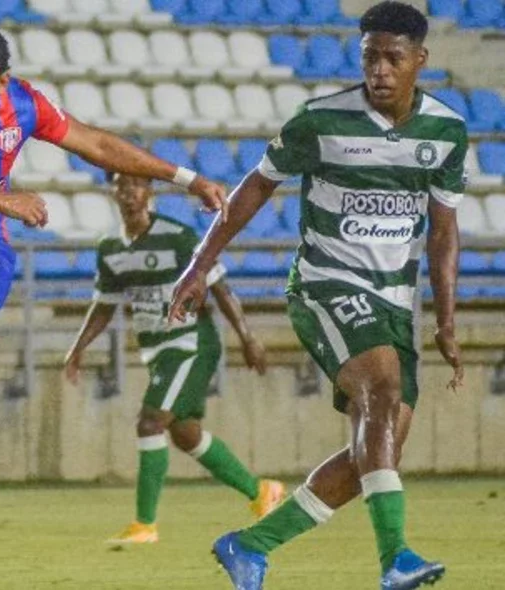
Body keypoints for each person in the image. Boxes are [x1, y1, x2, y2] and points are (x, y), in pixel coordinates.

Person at [0, 20, 228, 589]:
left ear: (1, 83)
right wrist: (0, 196)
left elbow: (97, 144)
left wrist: (186, 176)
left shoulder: (21, 104)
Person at [167, 3, 464, 589]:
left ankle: (250, 544)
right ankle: (396, 559)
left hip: (396, 304)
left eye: (393, 58)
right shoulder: (320, 121)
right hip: (326, 286)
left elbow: (444, 233)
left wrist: (446, 321)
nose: (379, 70)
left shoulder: (446, 132)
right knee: (381, 393)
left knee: (371, 456)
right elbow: (254, 189)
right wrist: (201, 265)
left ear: (419, 62)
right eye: (370, 57)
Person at [62, 171, 282, 544]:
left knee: (150, 423)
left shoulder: (178, 237)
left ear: (149, 192)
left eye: (136, 184)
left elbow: (221, 289)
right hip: (156, 349)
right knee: (185, 433)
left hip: (190, 341)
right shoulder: (111, 248)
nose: (129, 191)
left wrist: (247, 337)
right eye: (122, 185)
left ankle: (145, 525)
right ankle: (261, 492)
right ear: (113, 193)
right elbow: (104, 307)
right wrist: (78, 348)